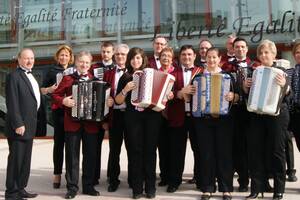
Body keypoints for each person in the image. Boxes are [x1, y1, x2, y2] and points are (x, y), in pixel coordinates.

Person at [115, 47, 170, 199]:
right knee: (135, 152)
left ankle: (150, 188)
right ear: (129, 60)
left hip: (152, 118)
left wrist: (168, 94)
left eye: (138, 58)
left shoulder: (151, 74)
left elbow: (163, 94)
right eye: (132, 58)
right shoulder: (125, 77)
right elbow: (118, 100)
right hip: (133, 118)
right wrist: (125, 90)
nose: (135, 61)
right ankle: (137, 189)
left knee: (150, 152)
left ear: (143, 59)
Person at [244, 40, 290, 200]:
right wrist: (245, 87)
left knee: (277, 151)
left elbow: (288, 94)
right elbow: (247, 96)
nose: (264, 55)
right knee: (255, 151)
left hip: (277, 116)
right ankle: (257, 188)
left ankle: (279, 189)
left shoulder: (283, 71)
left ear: (273, 54)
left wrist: (285, 85)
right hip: (257, 115)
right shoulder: (254, 71)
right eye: (261, 53)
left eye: (267, 52)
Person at [52, 51, 101, 199]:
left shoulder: (96, 80)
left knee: (90, 156)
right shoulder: (68, 79)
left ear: (90, 64)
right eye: (81, 62)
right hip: (72, 123)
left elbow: (101, 100)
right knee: (72, 156)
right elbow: (55, 95)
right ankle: (72, 187)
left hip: (90, 124)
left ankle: (88, 186)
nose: (84, 65)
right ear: (76, 63)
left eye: (87, 62)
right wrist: (64, 101)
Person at [5, 48, 41, 200]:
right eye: (26, 58)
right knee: (16, 160)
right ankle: (11, 193)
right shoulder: (13, 76)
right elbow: (12, 102)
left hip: (30, 125)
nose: (29, 61)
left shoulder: (31, 76)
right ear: (19, 59)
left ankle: (21, 188)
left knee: (25, 160)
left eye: (32, 58)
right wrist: (18, 123)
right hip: (19, 127)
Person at [166, 45, 202, 192]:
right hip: (178, 117)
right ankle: (174, 182)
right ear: (179, 57)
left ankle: (201, 180)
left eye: (189, 54)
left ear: (194, 56)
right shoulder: (172, 74)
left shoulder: (201, 72)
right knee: (176, 151)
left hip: (197, 117)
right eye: (184, 55)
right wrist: (180, 92)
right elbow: (168, 93)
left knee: (199, 150)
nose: (186, 57)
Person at [40, 45, 74, 189]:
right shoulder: (51, 70)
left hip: (72, 110)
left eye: (66, 55)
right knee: (59, 143)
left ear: (70, 57)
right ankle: (57, 174)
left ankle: (71, 176)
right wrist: (50, 89)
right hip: (58, 110)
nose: (64, 57)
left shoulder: (74, 70)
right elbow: (42, 90)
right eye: (61, 55)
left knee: (72, 145)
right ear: (57, 56)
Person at [221, 37, 252, 192]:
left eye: (242, 47)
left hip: (251, 112)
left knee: (252, 147)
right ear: (232, 49)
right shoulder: (226, 66)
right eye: (237, 47)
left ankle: (257, 180)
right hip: (233, 112)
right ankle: (240, 181)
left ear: (246, 49)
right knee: (236, 148)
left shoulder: (256, 65)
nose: (240, 49)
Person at [104, 43, 130, 192]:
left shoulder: (135, 73)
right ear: (114, 56)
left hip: (130, 116)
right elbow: (103, 94)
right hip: (114, 116)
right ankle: (113, 180)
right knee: (114, 150)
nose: (120, 56)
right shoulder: (108, 73)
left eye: (123, 54)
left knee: (132, 148)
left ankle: (133, 178)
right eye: (118, 54)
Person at [90, 41, 115, 185]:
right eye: (103, 51)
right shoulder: (95, 68)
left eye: (108, 51)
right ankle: (94, 176)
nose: (105, 54)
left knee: (114, 148)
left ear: (112, 52)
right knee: (95, 146)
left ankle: (112, 176)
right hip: (97, 113)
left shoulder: (117, 67)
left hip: (113, 112)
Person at [157, 47, 176, 187]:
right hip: (158, 116)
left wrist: (173, 94)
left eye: (168, 56)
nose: (166, 58)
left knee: (173, 148)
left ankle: (172, 177)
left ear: (172, 58)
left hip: (174, 114)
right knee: (162, 148)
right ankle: (164, 176)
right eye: (163, 55)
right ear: (159, 57)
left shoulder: (176, 73)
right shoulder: (155, 73)